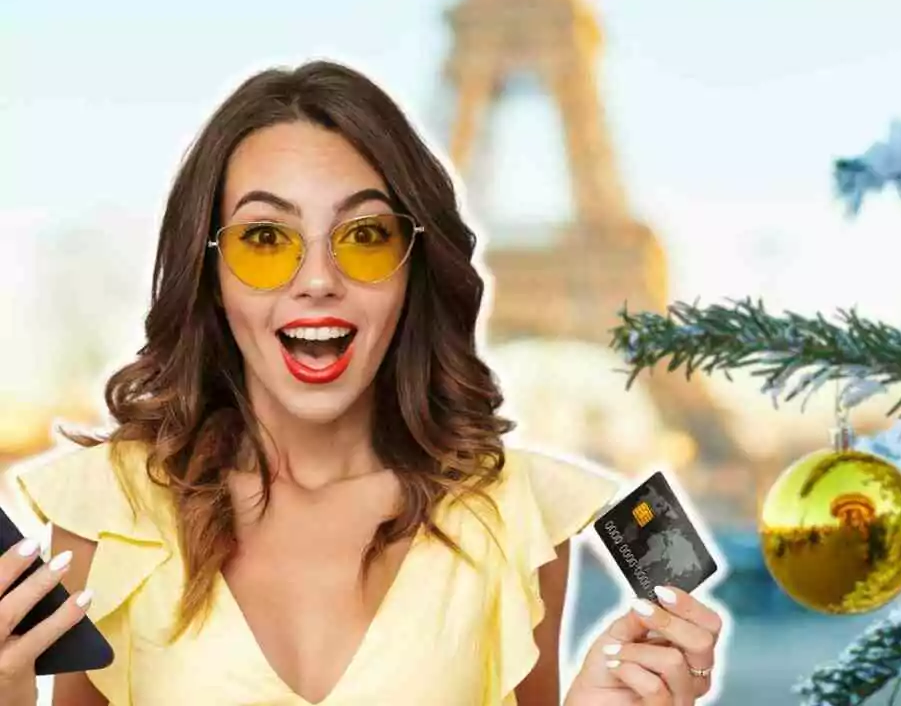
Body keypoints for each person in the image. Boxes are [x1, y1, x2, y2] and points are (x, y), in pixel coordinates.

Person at [0, 61, 724, 705]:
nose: (318, 280)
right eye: (264, 240)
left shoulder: (511, 516)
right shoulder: (110, 509)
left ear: (414, 269)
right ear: (210, 275)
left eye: (365, 236)